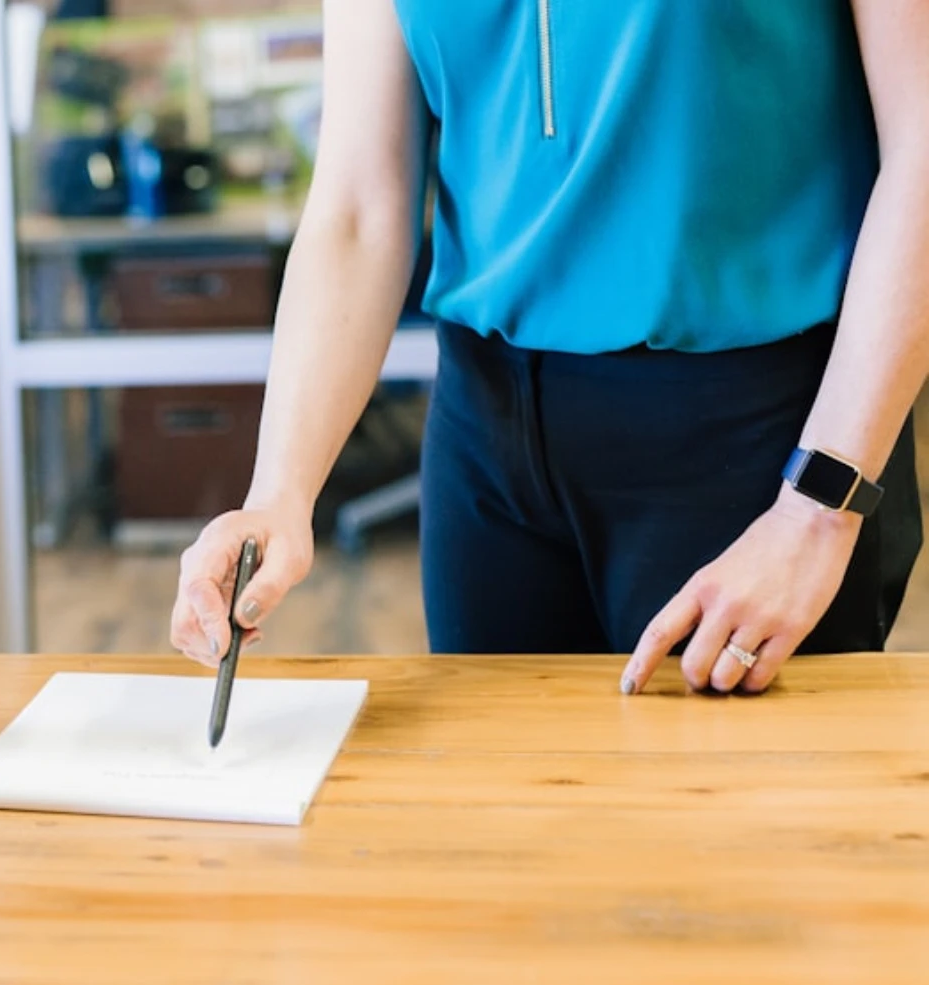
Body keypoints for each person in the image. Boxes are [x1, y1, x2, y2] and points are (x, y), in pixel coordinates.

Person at [173, 0, 928, 694]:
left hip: (760, 436)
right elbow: (359, 205)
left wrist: (819, 511)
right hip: (486, 440)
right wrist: (279, 494)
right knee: (503, 794)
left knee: (733, 797)